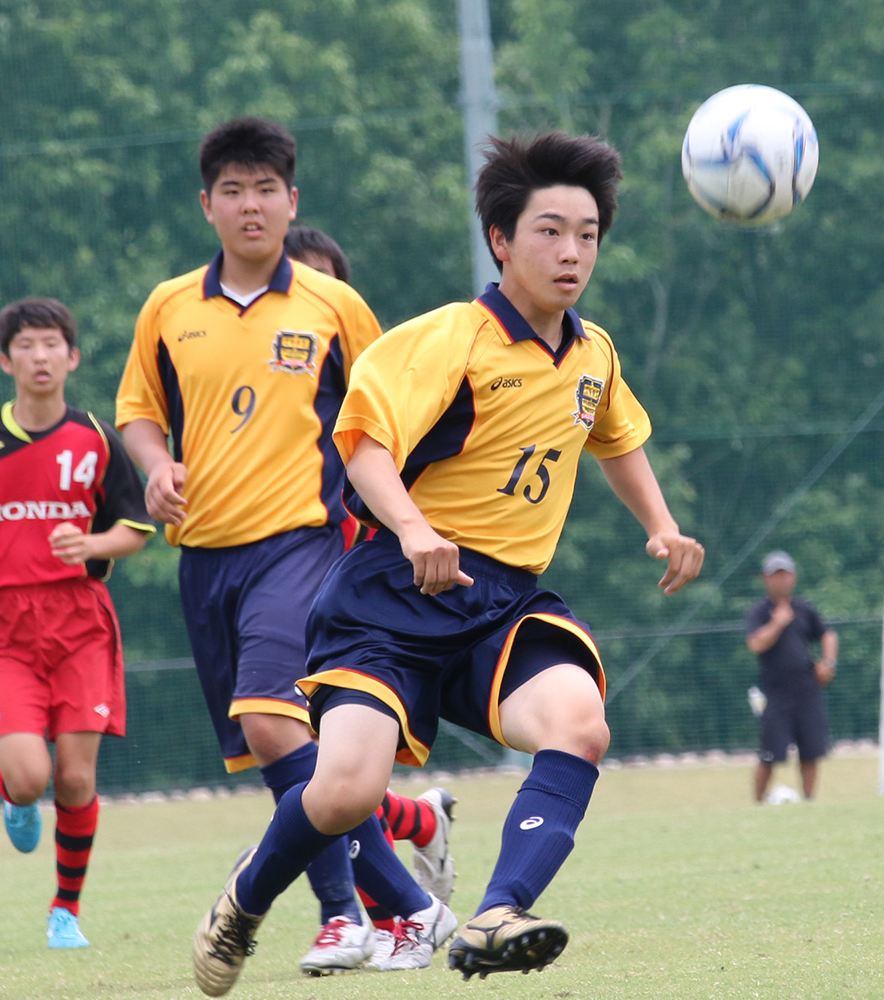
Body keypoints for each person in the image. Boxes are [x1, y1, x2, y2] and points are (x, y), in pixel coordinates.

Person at [187, 131, 705, 996]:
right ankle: (245, 898)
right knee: (347, 790)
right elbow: (362, 444)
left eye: (586, 233)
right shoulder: (449, 340)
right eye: (548, 231)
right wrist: (415, 527)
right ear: (501, 240)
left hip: (500, 602)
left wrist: (661, 524)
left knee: (580, 724)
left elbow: (617, 437)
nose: (571, 251)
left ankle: (499, 911)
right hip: (390, 591)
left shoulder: (593, 354)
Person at [114, 117, 449, 976]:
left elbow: (390, 420)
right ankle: (369, 910)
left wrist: (408, 522)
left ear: (291, 200)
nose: (251, 205)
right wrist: (154, 468)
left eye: (267, 189)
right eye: (233, 189)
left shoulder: (335, 307)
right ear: (207, 206)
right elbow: (138, 414)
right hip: (206, 563)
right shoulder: (167, 308)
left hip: (303, 548)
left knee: (271, 722)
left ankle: (389, 909)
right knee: (287, 758)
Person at [0, 297, 156, 949]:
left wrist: (93, 546)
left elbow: (136, 529)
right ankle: (14, 795)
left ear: (73, 356)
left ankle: (65, 911)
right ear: (6, 360)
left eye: (52, 343)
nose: (40, 356)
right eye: (25, 345)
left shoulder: (96, 438)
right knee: (30, 776)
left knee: (77, 778)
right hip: (6, 628)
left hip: (82, 622)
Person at [283, 220, 458, 963]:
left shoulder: (378, 363)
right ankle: (415, 829)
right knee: (311, 761)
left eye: (325, 281)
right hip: (261, 557)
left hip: (339, 555)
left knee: (290, 740)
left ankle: (366, 915)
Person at [744, 551, 838, 802]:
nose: (781, 580)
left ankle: (809, 800)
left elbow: (828, 635)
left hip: (807, 690)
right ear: (765, 579)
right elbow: (756, 644)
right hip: (775, 693)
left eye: (785, 575)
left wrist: (828, 663)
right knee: (770, 753)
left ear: (793, 577)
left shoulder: (804, 608)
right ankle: (757, 804)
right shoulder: (760, 612)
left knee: (811, 751)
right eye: (776, 576)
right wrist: (778, 623)